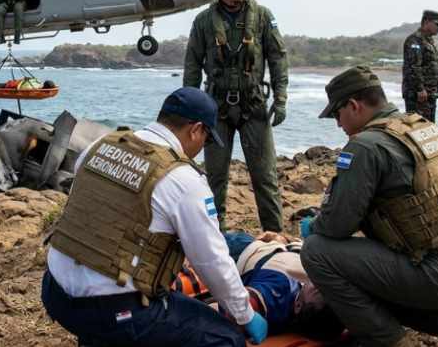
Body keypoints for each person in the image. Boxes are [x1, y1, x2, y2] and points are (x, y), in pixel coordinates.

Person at [42, 87, 269, 347]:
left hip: (55, 295)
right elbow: (211, 261)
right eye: (206, 140)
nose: (200, 149)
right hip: (112, 315)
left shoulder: (101, 145)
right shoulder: (184, 180)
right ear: (195, 130)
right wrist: (245, 314)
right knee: (226, 338)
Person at [299, 65, 438, 347]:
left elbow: (338, 226)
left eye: (337, 115)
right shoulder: (422, 128)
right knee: (360, 273)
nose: (338, 124)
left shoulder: (366, 145)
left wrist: (312, 226)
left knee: (317, 253)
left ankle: (388, 342)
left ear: (353, 105)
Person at [183, 0, 288, 233]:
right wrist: (188, 109)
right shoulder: (204, 21)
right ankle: (213, 236)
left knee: (265, 176)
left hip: (253, 106)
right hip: (215, 108)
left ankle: (274, 234)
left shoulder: (263, 17)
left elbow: (277, 58)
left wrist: (280, 98)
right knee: (215, 176)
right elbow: (192, 65)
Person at [174, 231, 345, 341]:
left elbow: (225, 311)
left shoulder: (280, 292)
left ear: (298, 306)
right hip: (282, 246)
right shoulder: (328, 298)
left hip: (244, 250)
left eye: (316, 291)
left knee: (192, 237)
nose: (321, 285)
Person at [402, 10, 438, 122]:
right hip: (418, 96)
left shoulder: (428, 40)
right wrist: (420, 89)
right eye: (437, 24)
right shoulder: (415, 39)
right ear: (426, 22)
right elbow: (413, 66)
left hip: (429, 94)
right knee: (418, 126)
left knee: (428, 127)